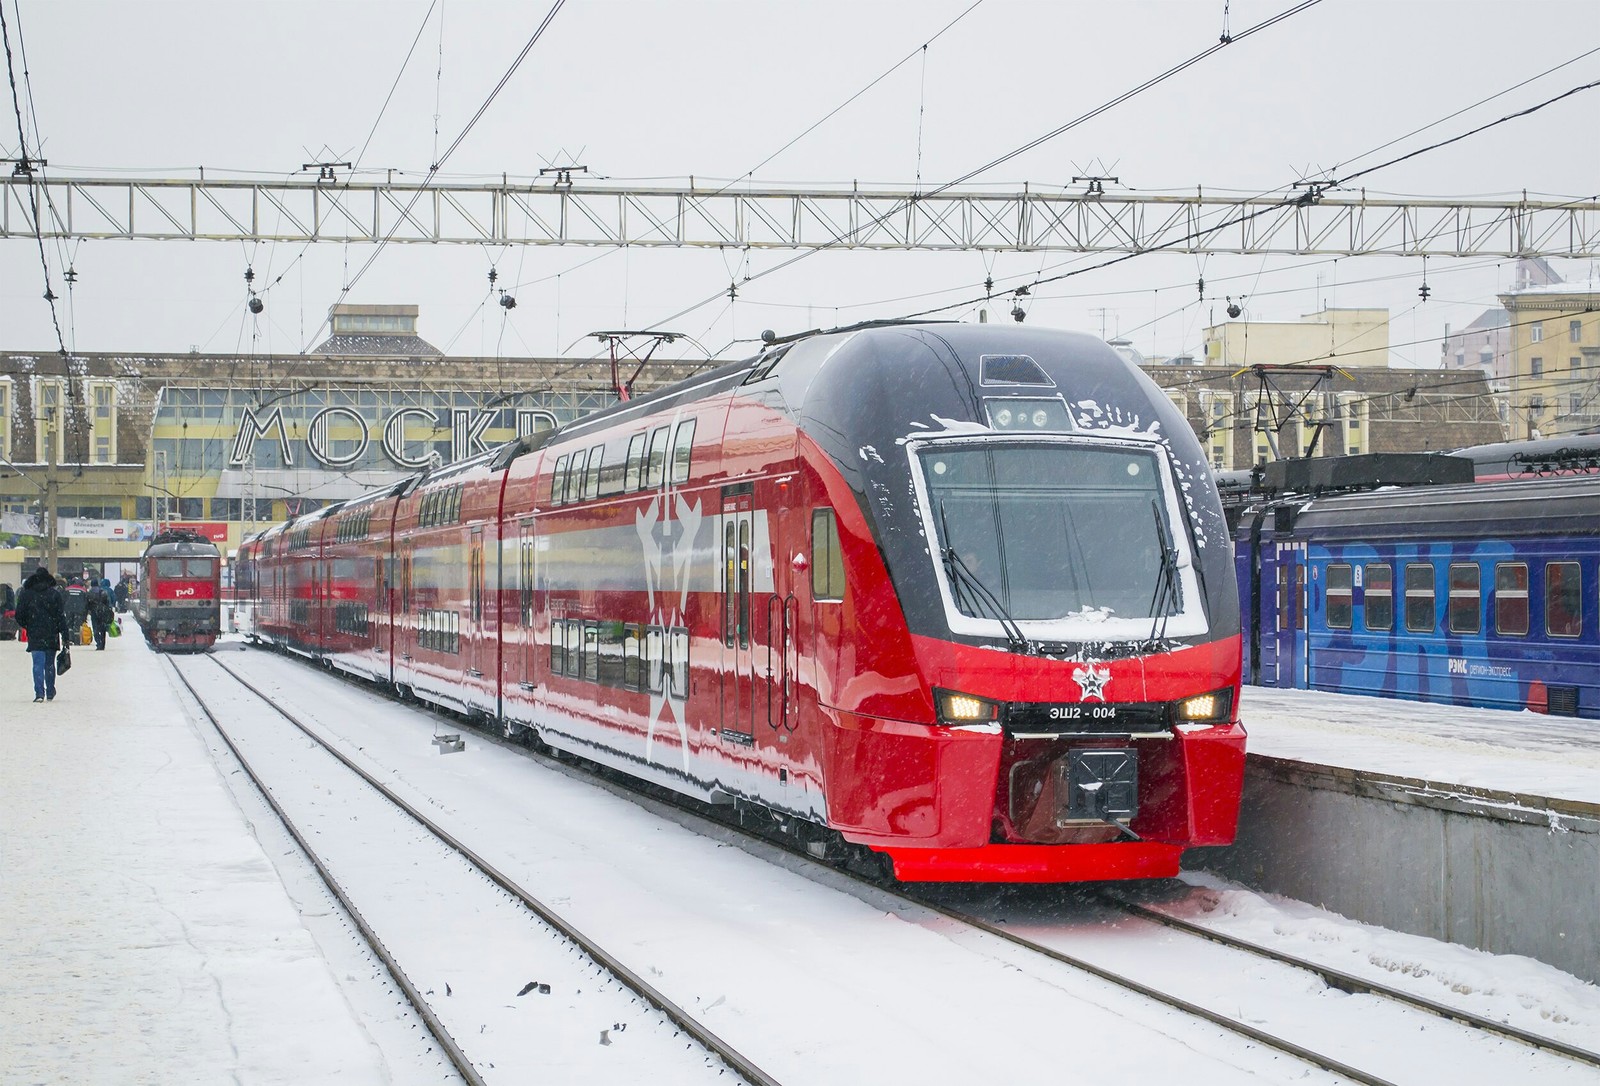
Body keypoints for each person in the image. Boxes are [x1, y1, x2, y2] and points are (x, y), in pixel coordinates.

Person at [15, 567, 68, 702]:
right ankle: (50, 691)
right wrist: (65, 635)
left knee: (37, 664)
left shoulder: (26, 594)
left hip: (35, 633)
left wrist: (28, 625)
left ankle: (39, 693)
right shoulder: (54, 594)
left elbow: (19, 615)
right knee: (49, 664)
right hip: (51, 633)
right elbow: (61, 617)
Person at [87, 577, 116, 650]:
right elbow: (108, 601)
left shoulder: (90, 592)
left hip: (94, 612)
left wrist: (88, 611)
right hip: (102, 612)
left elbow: (87, 603)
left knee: (95, 628)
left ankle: (98, 642)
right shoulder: (103, 591)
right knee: (102, 628)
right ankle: (103, 643)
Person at [63, 576, 89, 640]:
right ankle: (77, 639)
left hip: (68, 609)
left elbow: (63, 599)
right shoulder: (83, 590)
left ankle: (69, 638)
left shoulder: (67, 589)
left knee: (69, 624)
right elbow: (86, 601)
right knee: (77, 624)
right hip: (79, 609)